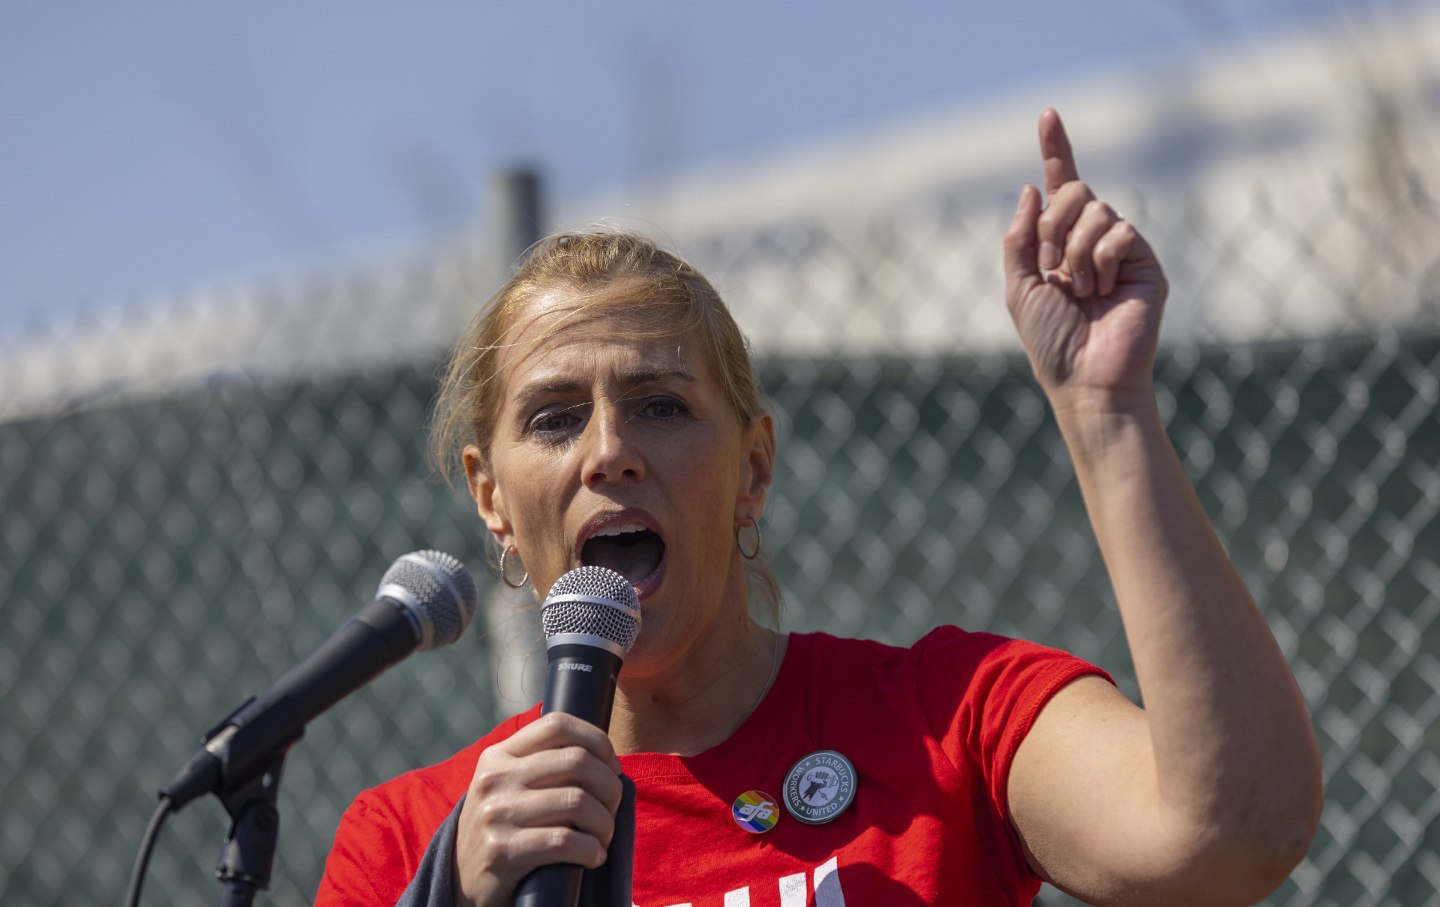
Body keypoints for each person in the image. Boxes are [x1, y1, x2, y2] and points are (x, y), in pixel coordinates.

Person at [315, 110, 1322, 906]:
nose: (610, 451)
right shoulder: (409, 838)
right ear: (492, 500)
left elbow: (1231, 835)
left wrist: (1108, 415)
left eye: (661, 405)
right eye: (554, 417)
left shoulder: (946, 719)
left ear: (753, 469)